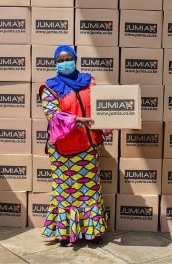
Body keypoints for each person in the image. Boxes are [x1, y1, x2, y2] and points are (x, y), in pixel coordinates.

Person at [39, 45, 109, 247]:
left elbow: (102, 105)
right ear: (55, 63)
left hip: (88, 148)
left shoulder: (89, 82)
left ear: (75, 59)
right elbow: (53, 115)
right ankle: (65, 234)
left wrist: (108, 119)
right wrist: (78, 119)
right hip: (63, 151)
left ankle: (93, 233)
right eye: (60, 60)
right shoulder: (50, 87)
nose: (64, 62)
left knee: (89, 191)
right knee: (64, 193)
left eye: (68, 58)